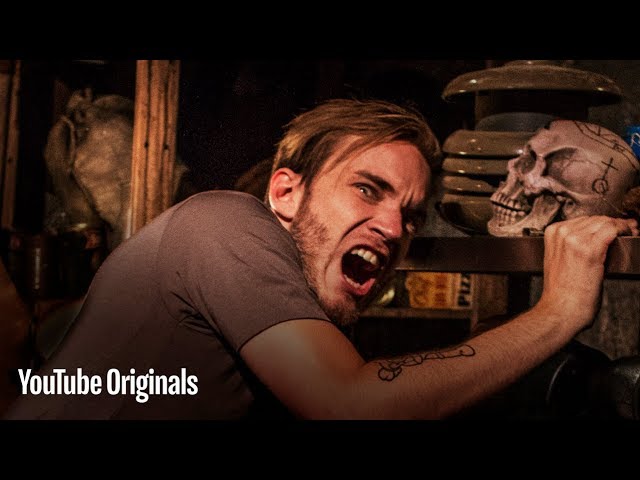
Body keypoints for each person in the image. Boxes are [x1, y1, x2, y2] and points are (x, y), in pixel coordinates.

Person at [3, 99, 638, 420]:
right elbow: (347, 404)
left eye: (412, 215)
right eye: (368, 189)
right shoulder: (220, 222)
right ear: (285, 191)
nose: (394, 227)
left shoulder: (288, 316)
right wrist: (557, 312)